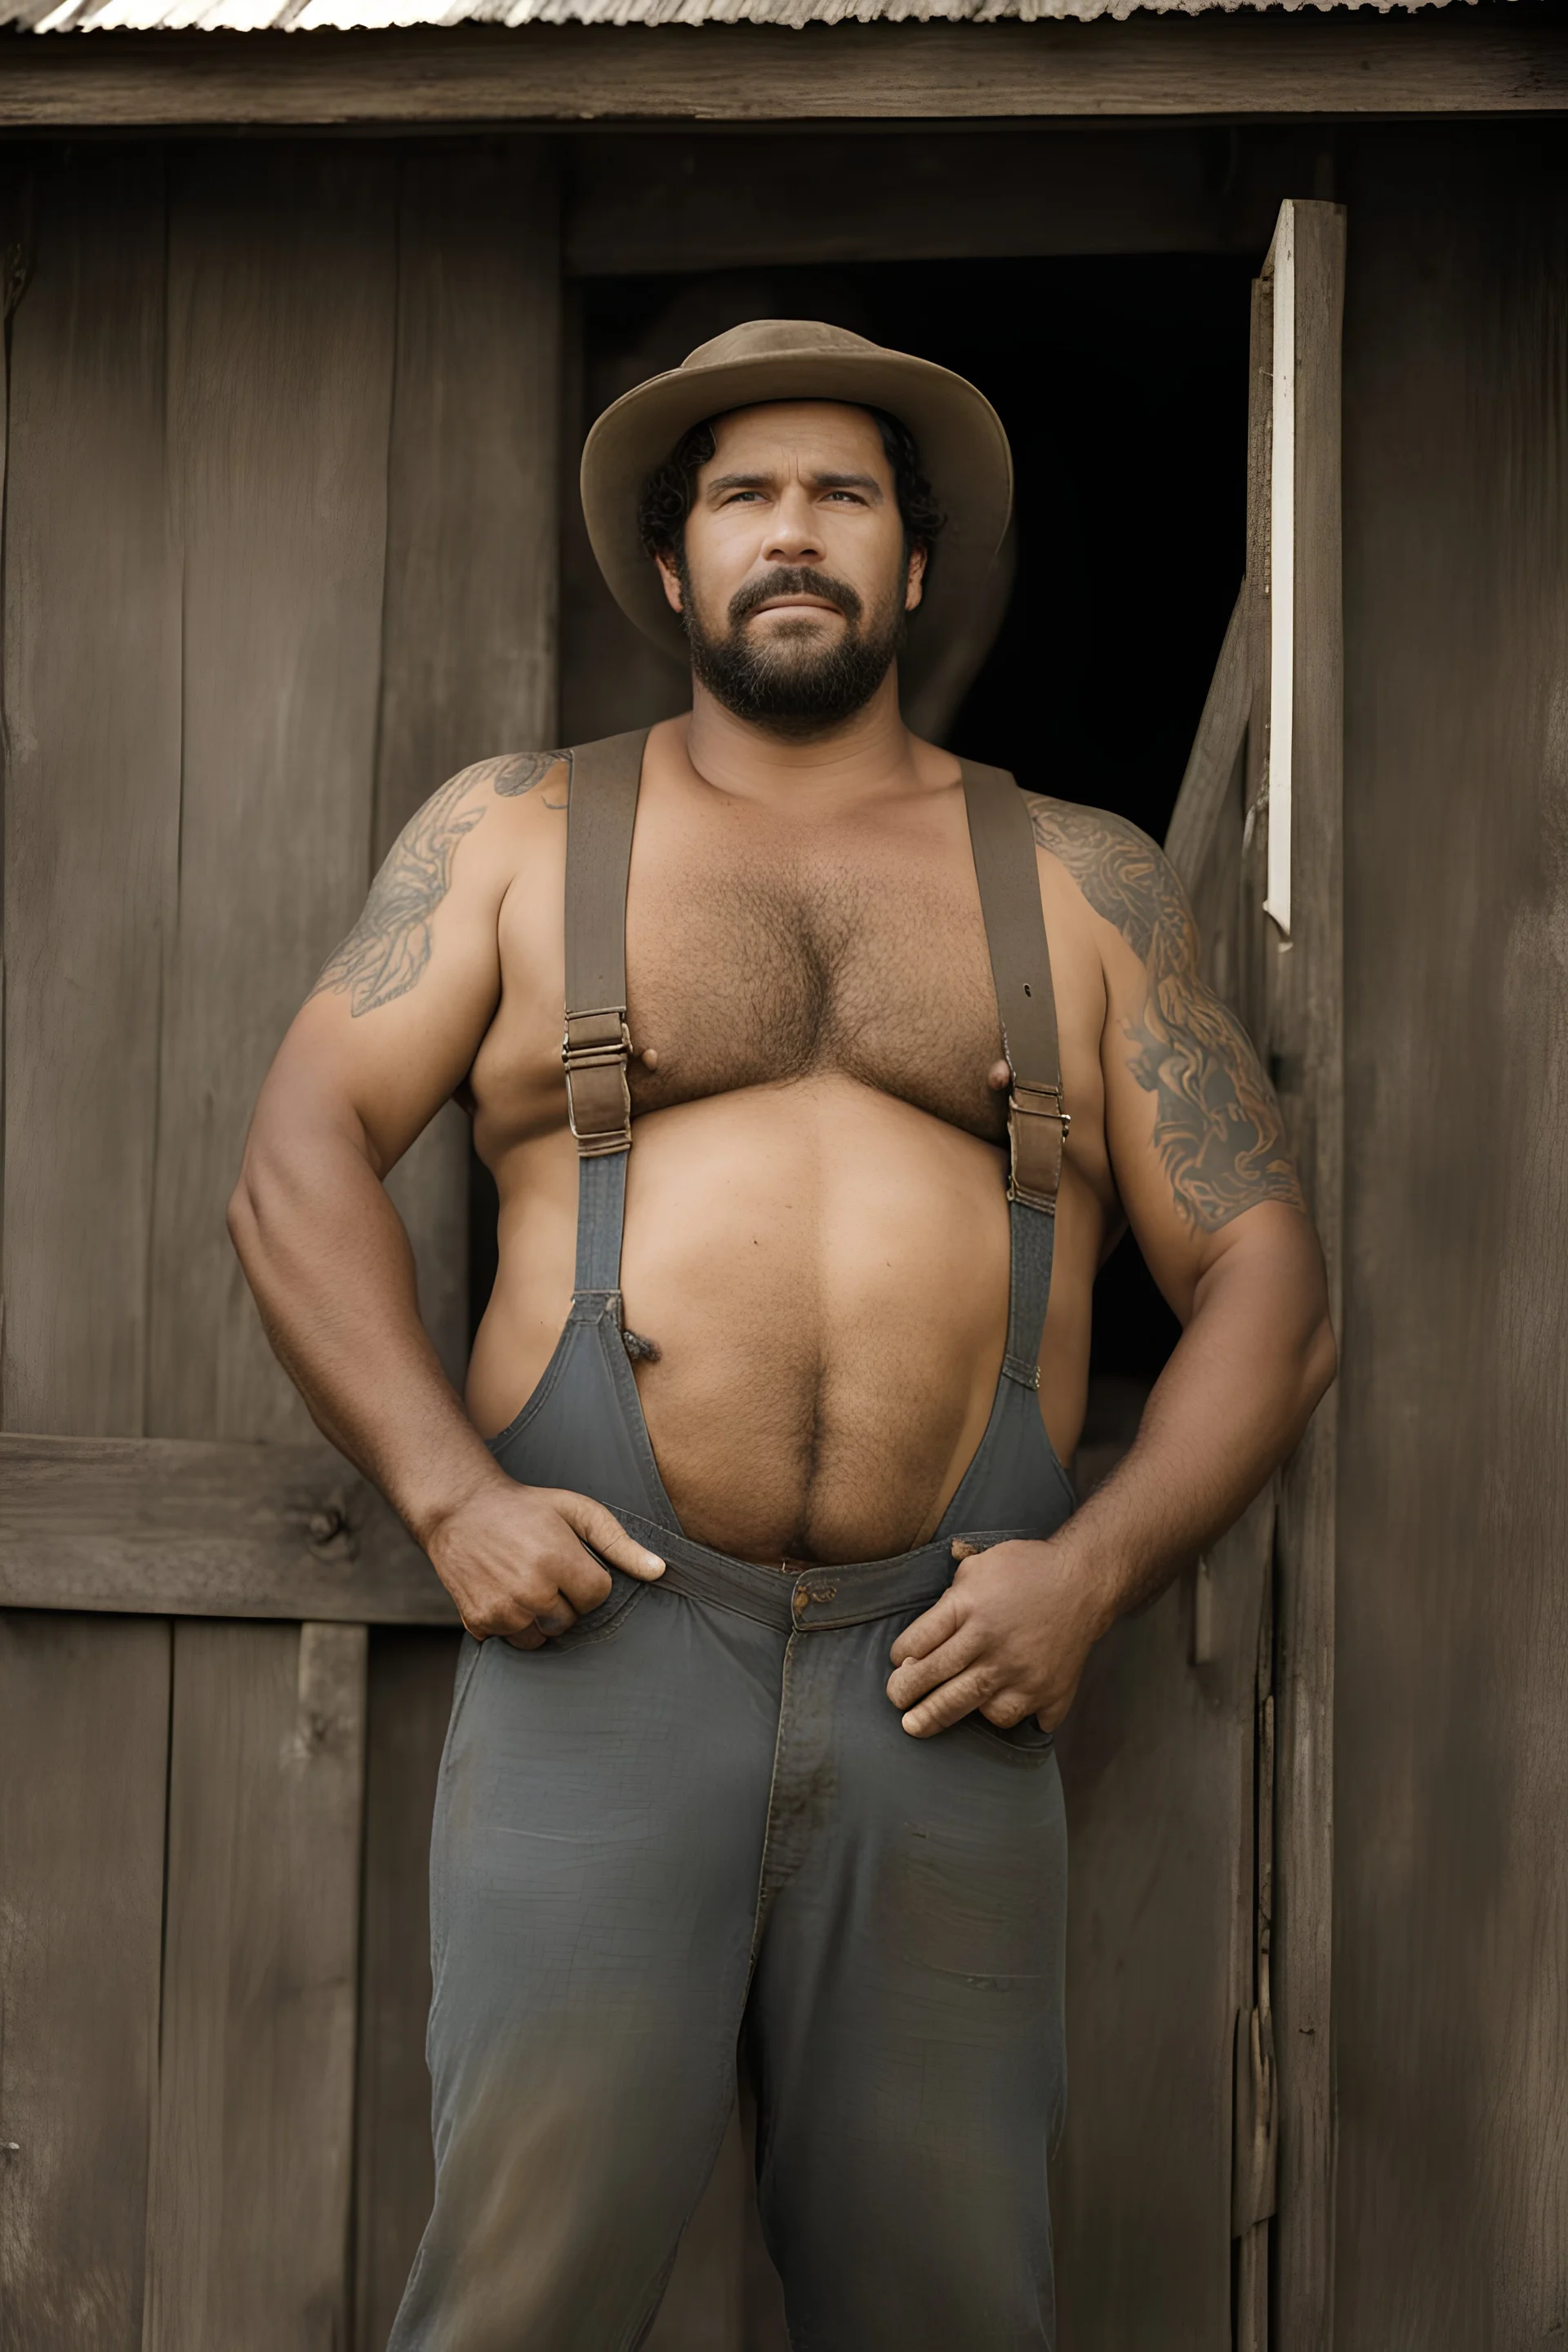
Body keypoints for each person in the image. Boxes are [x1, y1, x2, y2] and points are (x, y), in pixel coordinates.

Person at [229, 318, 1334, 2352]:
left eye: (843, 496)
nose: (793, 534)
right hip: (604, 1662)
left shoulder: (1087, 886)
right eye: (745, 496)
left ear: (916, 567)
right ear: (675, 571)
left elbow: (1271, 1281)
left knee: (945, 2306)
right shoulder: (511, 837)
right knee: (519, 2302)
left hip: (952, 1686)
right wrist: (450, 1494)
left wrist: (1093, 1572)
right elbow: (296, 1157)